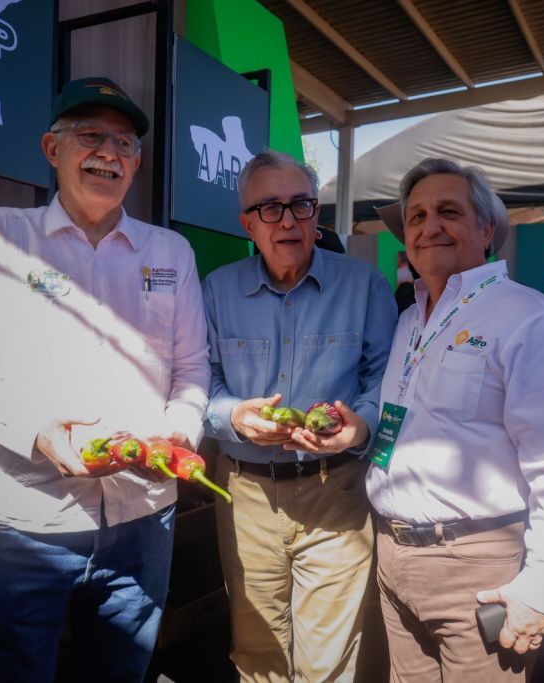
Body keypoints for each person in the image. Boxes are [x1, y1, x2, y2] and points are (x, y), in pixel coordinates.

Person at [0, 77, 210, 680]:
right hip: (23, 524)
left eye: (124, 142)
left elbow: (190, 369)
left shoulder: (171, 253)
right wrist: (36, 433)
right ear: (52, 149)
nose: (109, 153)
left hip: (142, 523)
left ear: (136, 163)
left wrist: (178, 435)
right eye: (90, 136)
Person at [368, 158, 544, 681]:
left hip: (477, 565)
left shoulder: (527, 317)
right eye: (417, 216)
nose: (429, 226)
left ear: (487, 229)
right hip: (393, 555)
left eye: (449, 212)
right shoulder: (409, 319)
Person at [201, 150, 397, 682]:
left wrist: (360, 426)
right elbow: (200, 382)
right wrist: (234, 416)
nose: (287, 220)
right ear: (247, 223)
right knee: (256, 651)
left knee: (328, 663)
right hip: (245, 495)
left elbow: (387, 381)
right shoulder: (217, 289)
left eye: (301, 205)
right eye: (270, 208)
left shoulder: (364, 285)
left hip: (336, 492)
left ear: (316, 214)